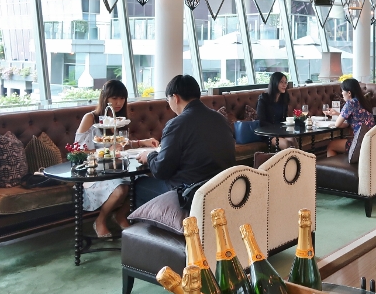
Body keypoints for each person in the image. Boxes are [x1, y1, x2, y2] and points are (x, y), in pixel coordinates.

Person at [74, 80, 158, 238]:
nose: (118, 102)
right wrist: (106, 150)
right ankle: (100, 221)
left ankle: (120, 216)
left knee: (141, 181)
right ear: (105, 98)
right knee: (121, 189)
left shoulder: (119, 119)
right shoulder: (90, 118)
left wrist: (142, 142)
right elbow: (78, 150)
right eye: (114, 98)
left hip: (116, 167)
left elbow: (121, 145)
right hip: (95, 170)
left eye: (122, 98)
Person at [135, 75, 235, 206]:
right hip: (221, 190)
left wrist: (149, 155)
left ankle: (160, 225)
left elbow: (161, 170)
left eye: (168, 99)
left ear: (175, 98)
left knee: (138, 185)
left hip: (188, 195)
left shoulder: (176, 124)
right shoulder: (220, 118)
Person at [324, 78, 375, 157]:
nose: (341, 93)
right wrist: (337, 114)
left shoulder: (350, 103)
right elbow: (352, 121)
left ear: (349, 93)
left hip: (359, 144)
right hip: (370, 142)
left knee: (331, 145)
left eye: (342, 91)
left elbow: (337, 124)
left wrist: (338, 116)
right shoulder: (363, 101)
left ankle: (336, 168)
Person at [256, 72, 294, 149]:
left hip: (281, 131)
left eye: (285, 82)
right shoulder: (263, 98)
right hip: (268, 133)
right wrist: (276, 128)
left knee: (292, 139)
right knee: (286, 144)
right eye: (281, 82)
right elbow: (261, 121)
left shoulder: (284, 99)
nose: (284, 85)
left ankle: (298, 160)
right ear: (274, 83)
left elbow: (284, 118)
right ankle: (294, 160)